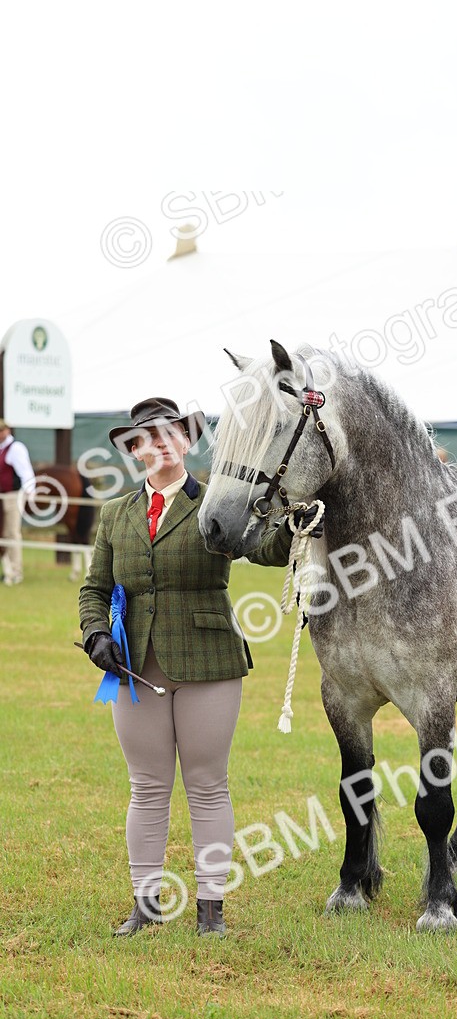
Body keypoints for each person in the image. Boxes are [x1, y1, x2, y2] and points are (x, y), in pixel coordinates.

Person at [78, 397, 320, 938]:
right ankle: (146, 904)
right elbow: (95, 587)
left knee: (208, 785)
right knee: (146, 786)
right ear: (134, 451)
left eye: (170, 434)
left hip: (210, 661)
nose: (159, 443)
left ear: (187, 442)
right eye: (145, 438)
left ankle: (211, 911)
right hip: (136, 666)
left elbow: (267, 550)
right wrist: (95, 633)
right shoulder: (115, 514)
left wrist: (295, 525)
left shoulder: (217, 502)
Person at [0, 419, 36, 586]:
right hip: (2, 495)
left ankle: (16, 571)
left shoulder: (15, 448)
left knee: (11, 533)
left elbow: (25, 471)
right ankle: (7, 570)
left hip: (12, 495)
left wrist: (31, 492)